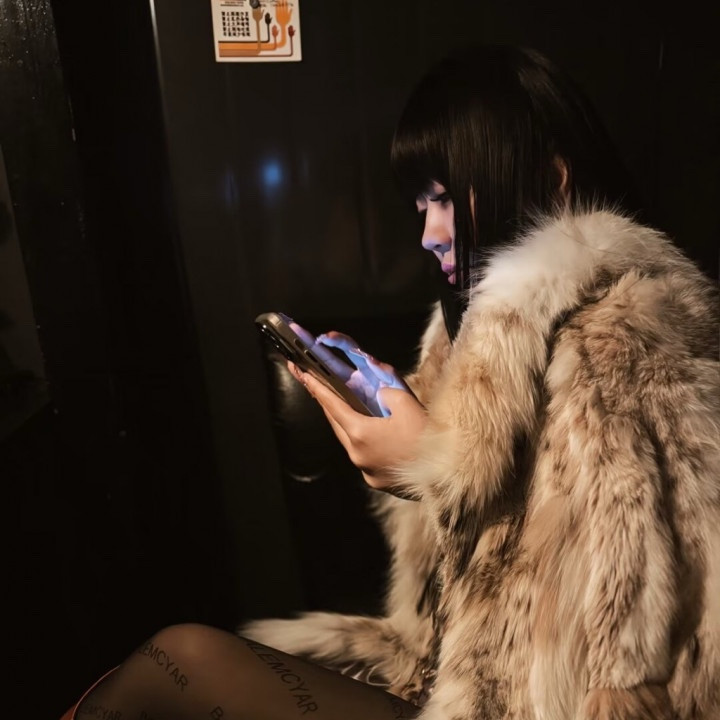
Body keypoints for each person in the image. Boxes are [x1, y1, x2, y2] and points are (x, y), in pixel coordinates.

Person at [61, 44, 719, 720]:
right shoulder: (487, 338)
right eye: (420, 205)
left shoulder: (623, 340)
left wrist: (430, 469)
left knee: (182, 658)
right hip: (440, 677)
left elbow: (628, 642)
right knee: (167, 668)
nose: (429, 233)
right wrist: (424, 442)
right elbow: (491, 571)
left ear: (551, 181)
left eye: (444, 199)